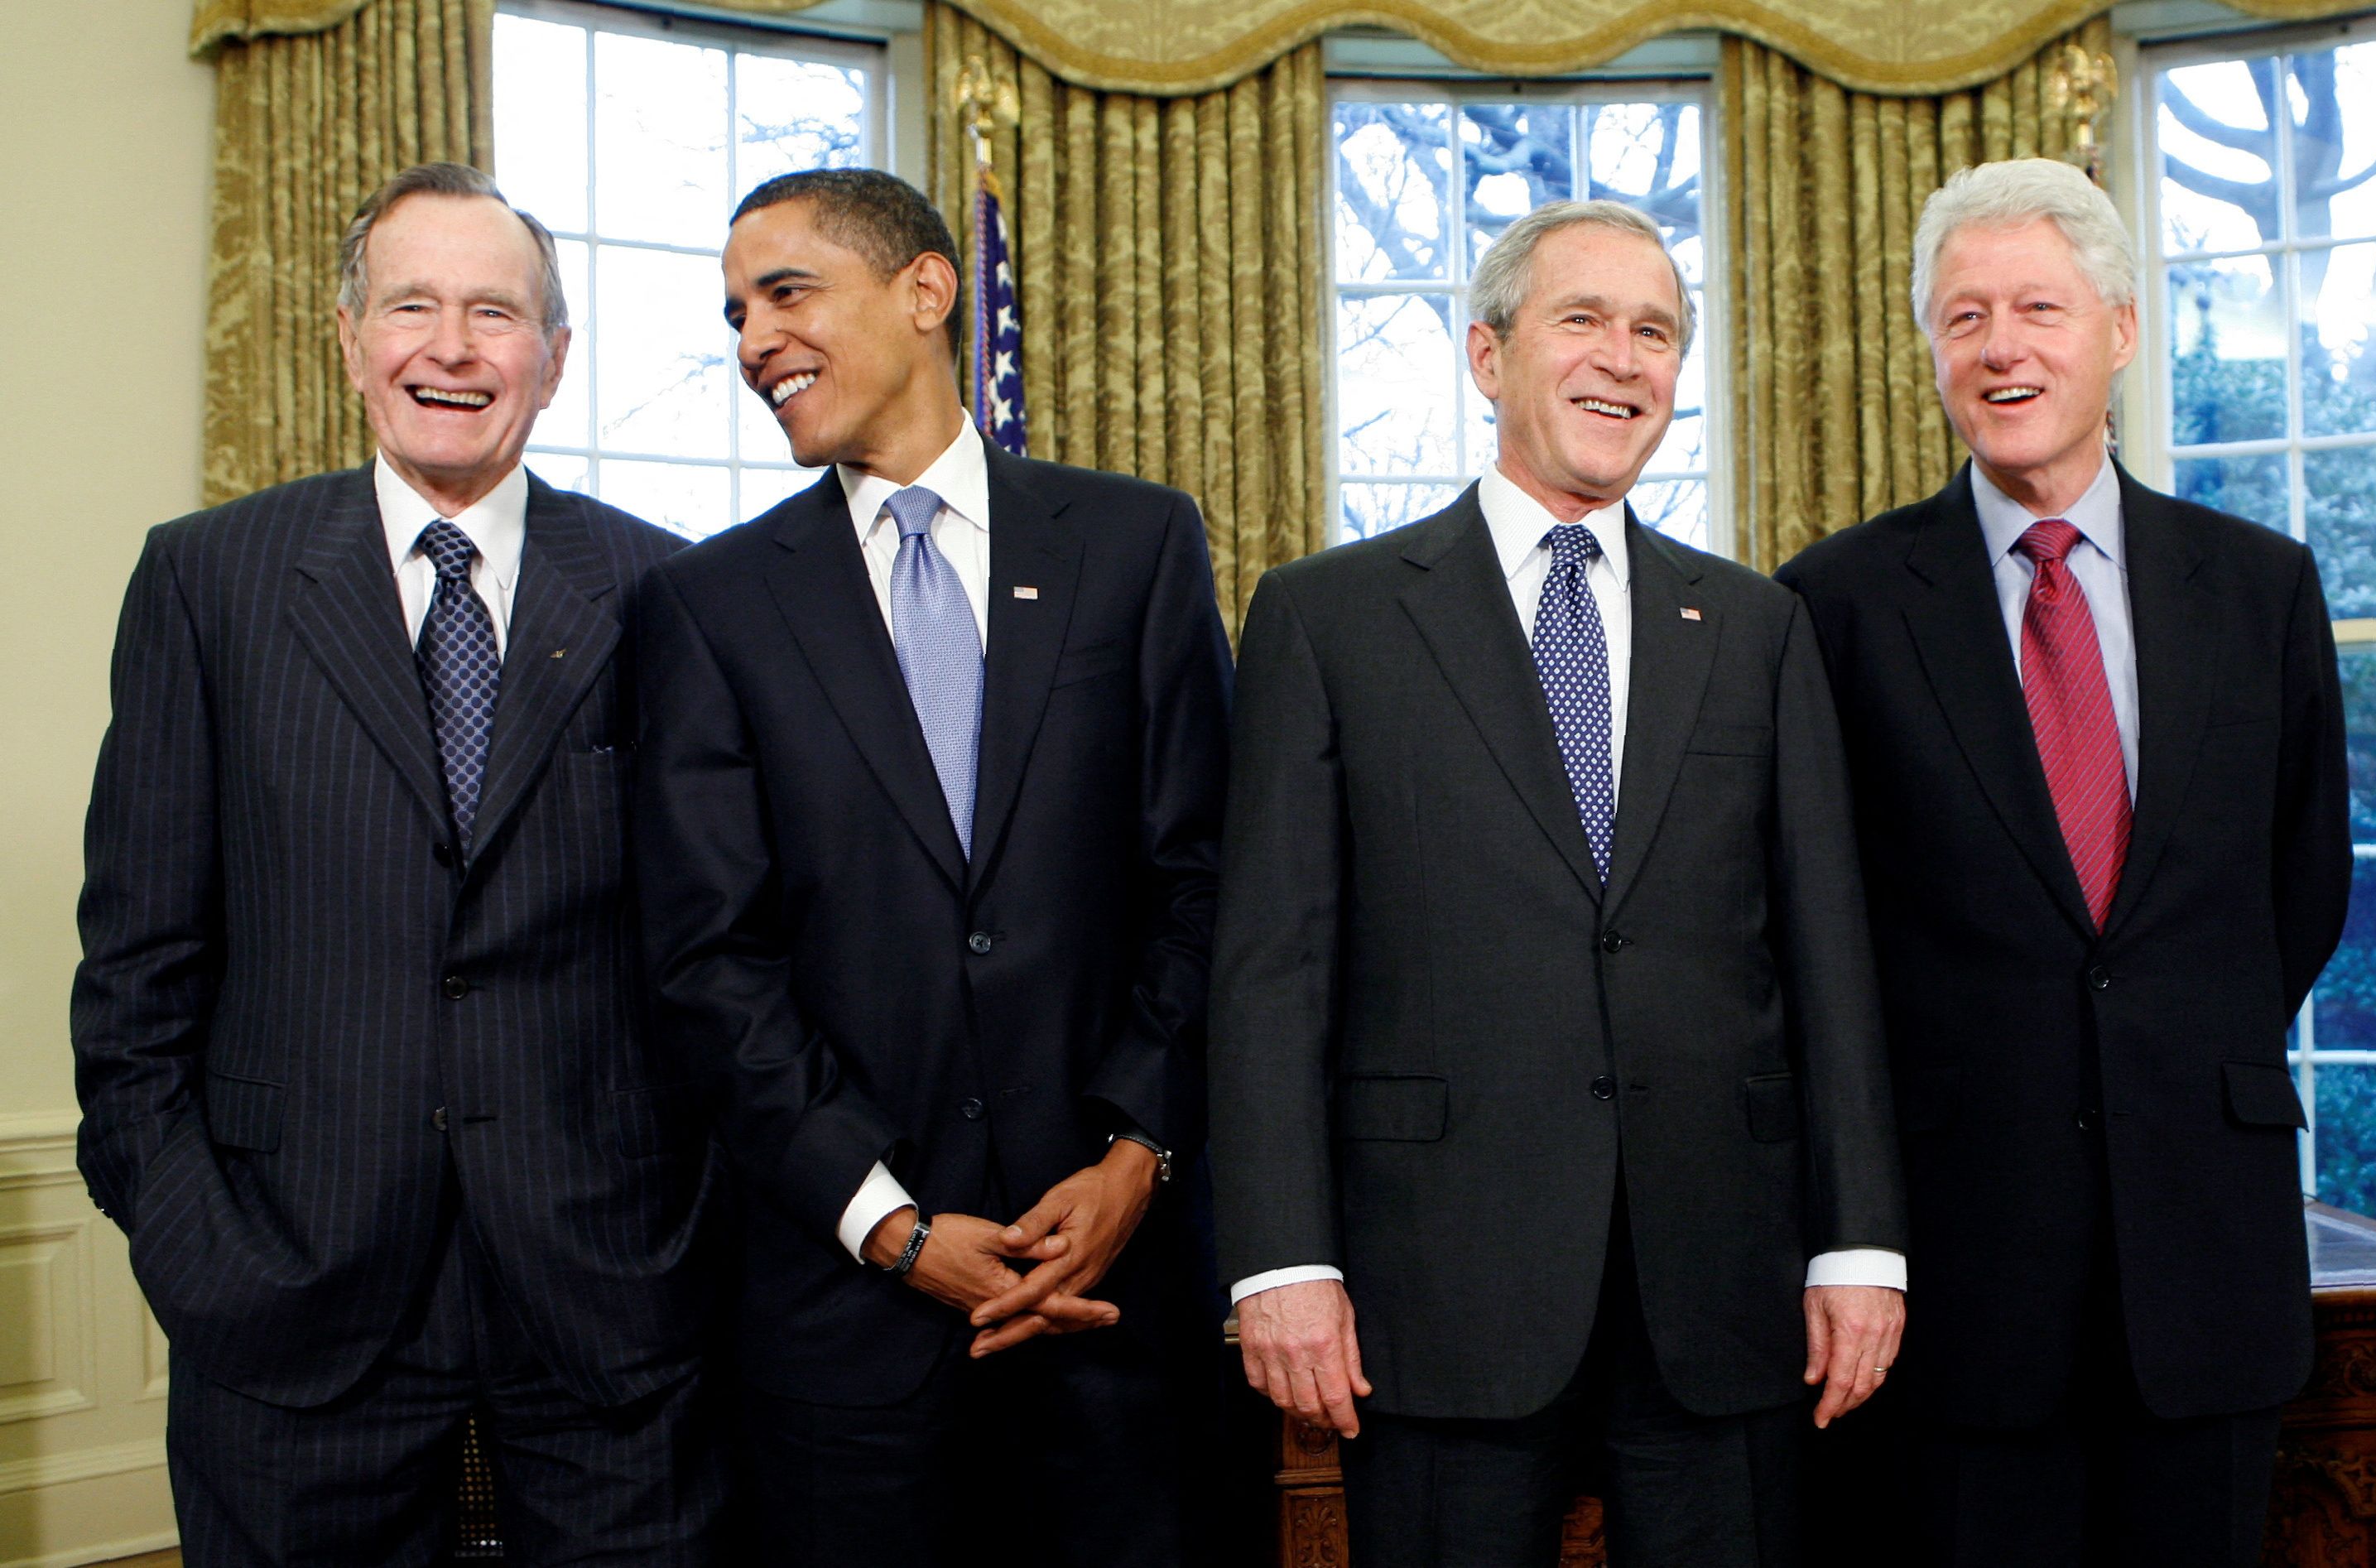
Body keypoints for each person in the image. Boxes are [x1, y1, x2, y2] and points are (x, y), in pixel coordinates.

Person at [1210, 199, 1908, 1568]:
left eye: (1654, 331)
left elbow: (1828, 955)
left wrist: (1859, 1248)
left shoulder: (1755, 625)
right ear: (1487, 355)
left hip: (1723, 1289)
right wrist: (1280, 1261)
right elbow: (1270, 970)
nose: (1622, 358)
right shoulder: (1327, 617)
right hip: (1438, 1290)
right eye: (1580, 319)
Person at [73, 162, 716, 1564]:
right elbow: (136, 972)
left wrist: (685, 1240)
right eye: (412, 305)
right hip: (288, 1296)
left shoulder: (672, 595)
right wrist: (198, 1250)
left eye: (495, 314)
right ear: (350, 335)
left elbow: (722, 959)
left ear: (552, 359)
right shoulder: (207, 582)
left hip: (609, 1301)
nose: (451, 347)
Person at [628, 167, 1232, 1565]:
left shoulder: (1135, 545)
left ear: (924, 290)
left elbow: (1204, 880)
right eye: (733, 315)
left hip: (1117, 1303)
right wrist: (891, 1225)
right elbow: (708, 960)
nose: (750, 341)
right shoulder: (708, 606)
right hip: (849, 1333)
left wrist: (1135, 1155)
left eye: (785, 293)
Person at [1775, 157, 2354, 1567]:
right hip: (1959, 1274)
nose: (2001, 345)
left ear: (2119, 328)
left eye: (2037, 305)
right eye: (1962, 316)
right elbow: (1814, 929)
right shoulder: (1834, 604)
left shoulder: (2260, 585)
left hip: (2205, 1256)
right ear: (1930, 352)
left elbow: (2303, 880)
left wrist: (2169, 1044)